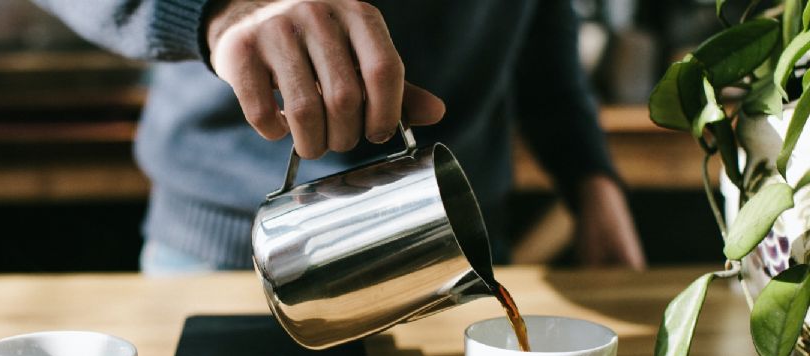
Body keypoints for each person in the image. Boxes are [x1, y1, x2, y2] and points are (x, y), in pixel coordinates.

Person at [33, 0, 646, 273]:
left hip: (456, 244)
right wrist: (216, 8)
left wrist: (589, 179)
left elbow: (540, 28)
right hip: (231, 252)